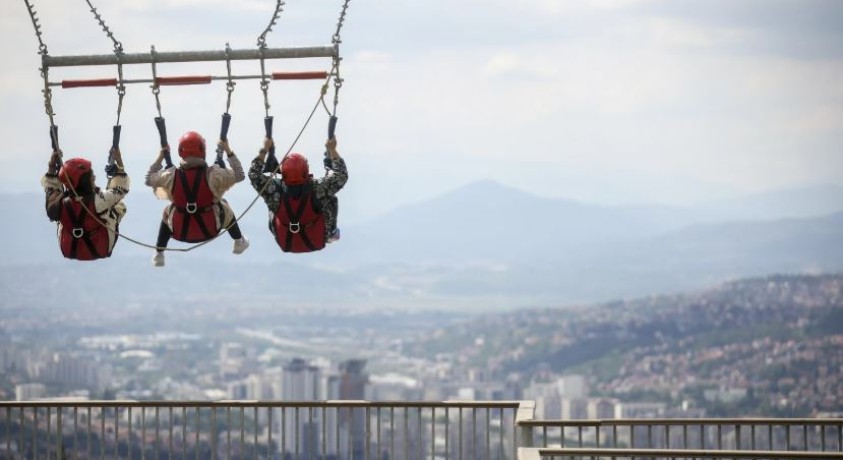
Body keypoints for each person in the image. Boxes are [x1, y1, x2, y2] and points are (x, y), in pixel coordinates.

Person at [145, 131, 249, 267]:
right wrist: (227, 149)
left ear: (181, 152)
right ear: (203, 151)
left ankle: (159, 253)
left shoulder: (170, 175)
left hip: (180, 231)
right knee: (224, 205)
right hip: (210, 229)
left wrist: (160, 157)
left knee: (167, 211)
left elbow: (149, 179)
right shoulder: (214, 174)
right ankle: (238, 241)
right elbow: (240, 175)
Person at [248, 137, 348, 253]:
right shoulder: (317, 189)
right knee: (331, 199)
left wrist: (265, 149)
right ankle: (332, 232)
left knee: (271, 203)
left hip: (285, 241)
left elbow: (254, 174)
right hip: (316, 240)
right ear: (305, 171)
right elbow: (341, 176)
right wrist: (332, 150)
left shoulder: (273, 190)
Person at [42, 148, 130, 260]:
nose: (94, 177)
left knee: (59, 212)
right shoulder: (98, 200)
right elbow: (120, 190)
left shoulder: (59, 203)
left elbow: (51, 189)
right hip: (99, 248)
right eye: (91, 176)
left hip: (69, 248)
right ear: (84, 181)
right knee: (119, 207)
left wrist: (52, 167)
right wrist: (119, 166)